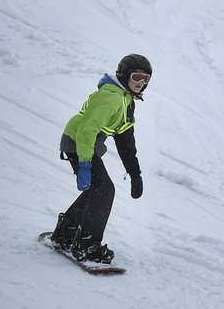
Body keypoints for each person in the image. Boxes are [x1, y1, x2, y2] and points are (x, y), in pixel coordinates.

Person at [49, 53, 151, 263]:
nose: (141, 83)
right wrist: (85, 164)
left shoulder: (125, 102)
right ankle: (87, 246)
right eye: (136, 77)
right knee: (104, 189)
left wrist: (135, 174)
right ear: (123, 76)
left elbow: (126, 142)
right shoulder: (110, 98)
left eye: (145, 79)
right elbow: (86, 130)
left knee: (98, 188)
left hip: (85, 145)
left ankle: (65, 234)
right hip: (78, 142)